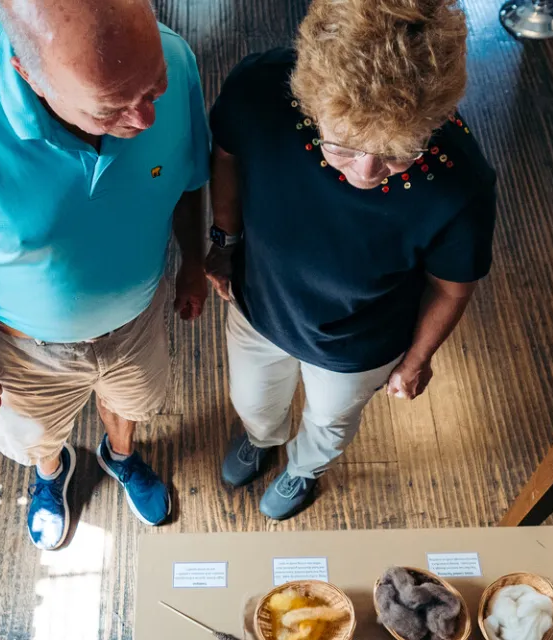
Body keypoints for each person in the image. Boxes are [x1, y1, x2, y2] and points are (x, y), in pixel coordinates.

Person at [0, 0, 210, 549]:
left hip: (137, 320)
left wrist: (195, 263)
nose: (145, 119)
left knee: (132, 404)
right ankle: (51, 473)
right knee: (37, 432)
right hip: (21, 346)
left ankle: (121, 456)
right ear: (27, 73)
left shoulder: (173, 58)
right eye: (109, 109)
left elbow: (188, 175)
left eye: (153, 88)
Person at [206, 0, 496, 520]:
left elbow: (452, 286)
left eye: (399, 150)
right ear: (310, 100)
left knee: (331, 422)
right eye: (341, 144)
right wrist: (224, 241)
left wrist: (416, 360)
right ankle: (260, 437)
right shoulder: (262, 91)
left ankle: (303, 470)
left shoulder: (460, 180)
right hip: (259, 302)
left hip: (361, 343)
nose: (366, 171)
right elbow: (227, 153)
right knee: (252, 397)